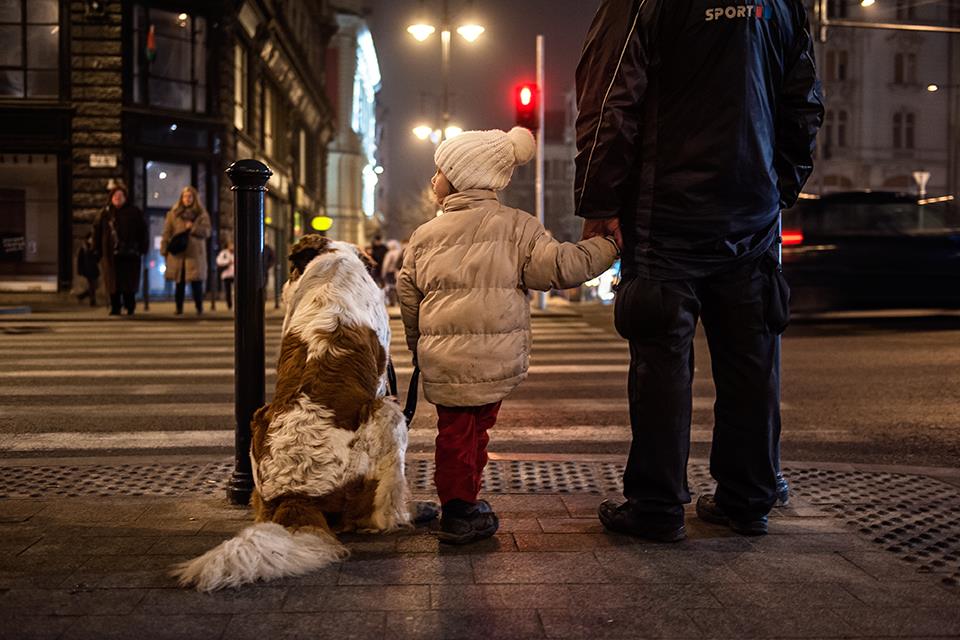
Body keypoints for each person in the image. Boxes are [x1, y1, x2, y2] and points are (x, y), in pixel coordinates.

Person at [575, 0, 823, 540]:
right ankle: (748, 499)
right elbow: (803, 101)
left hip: (666, 214)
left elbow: (611, 99)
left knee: (661, 358)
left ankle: (657, 506)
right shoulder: (781, 3)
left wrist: (600, 201)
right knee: (751, 358)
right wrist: (776, 187)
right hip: (751, 216)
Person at [398, 127, 620, 544]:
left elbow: (409, 295)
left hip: (444, 359)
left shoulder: (424, 236)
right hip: (496, 358)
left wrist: (418, 346)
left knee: (455, 434)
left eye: (440, 171)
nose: (433, 179)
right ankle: (464, 505)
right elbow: (560, 267)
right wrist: (609, 246)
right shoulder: (517, 227)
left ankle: (459, 507)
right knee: (476, 432)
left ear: (462, 177)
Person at [92, 182, 148, 316]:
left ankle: (130, 306)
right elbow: (97, 232)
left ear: (125, 198)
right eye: (115, 195)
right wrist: (96, 249)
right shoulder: (105, 213)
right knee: (113, 282)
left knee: (129, 282)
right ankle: (115, 306)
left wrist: (142, 248)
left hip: (130, 254)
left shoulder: (134, 212)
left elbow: (143, 231)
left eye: (120, 195)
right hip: (110, 254)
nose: (117, 198)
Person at [161, 186, 212, 315]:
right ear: (181, 198)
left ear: (194, 198)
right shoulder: (173, 214)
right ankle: (179, 308)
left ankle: (199, 307)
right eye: (185, 196)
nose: (187, 199)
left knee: (196, 282)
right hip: (179, 253)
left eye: (190, 196)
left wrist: (193, 227)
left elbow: (207, 232)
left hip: (195, 254)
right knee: (179, 282)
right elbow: (167, 232)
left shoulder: (202, 214)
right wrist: (164, 249)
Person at [76, 231, 100, 307]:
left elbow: (97, 259)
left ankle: (81, 296)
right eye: (90, 238)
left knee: (95, 286)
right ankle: (92, 301)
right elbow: (80, 260)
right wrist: (80, 271)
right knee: (92, 286)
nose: (91, 240)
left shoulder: (94, 247)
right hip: (88, 270)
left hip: (94, 269)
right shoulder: (83, 248)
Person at [381, 239, 403, 306]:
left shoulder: (389, 254)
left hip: (390, 272)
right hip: (399, 271)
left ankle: (393, 301)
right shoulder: (400, 252)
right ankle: (399, 302)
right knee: (399, 287)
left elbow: (385, 265)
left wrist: (383, 273)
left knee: (391, 287)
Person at [216, 240, 235, 310]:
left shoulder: (236, 252)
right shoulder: (223, 253)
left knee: (235, 291)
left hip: (234, 275)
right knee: (228, 291)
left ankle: (235, 304)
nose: (232, 246)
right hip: (227, 275)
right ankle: (229, 305)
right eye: (231, 245)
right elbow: (218, 261)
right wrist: (227, 262)